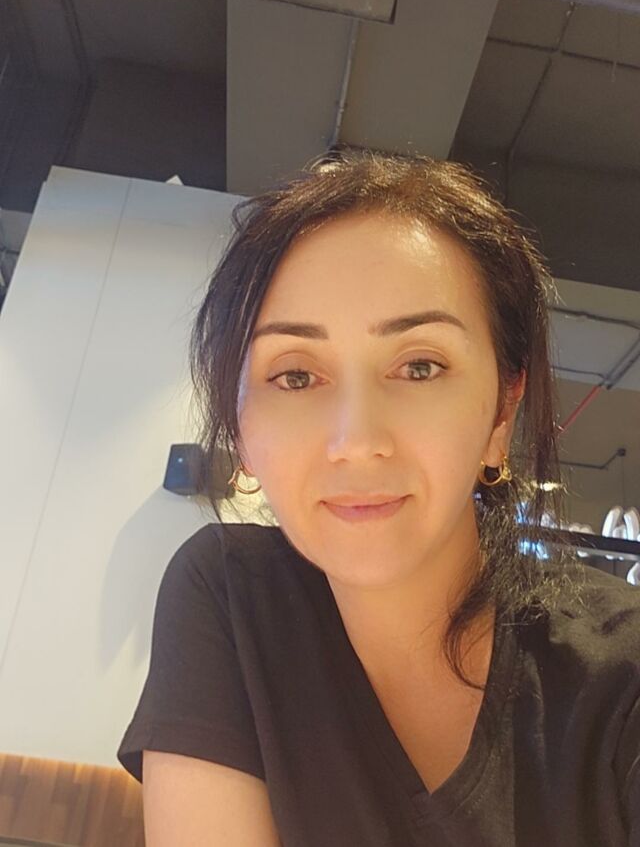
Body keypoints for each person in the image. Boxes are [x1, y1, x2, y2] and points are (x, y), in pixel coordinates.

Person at [116, 150, 640, 846]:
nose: (356, 442)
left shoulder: (621, 678)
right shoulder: (231, 597)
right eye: (296, 376)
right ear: (239, 431)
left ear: (500, 413)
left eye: (419, 366)